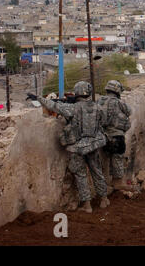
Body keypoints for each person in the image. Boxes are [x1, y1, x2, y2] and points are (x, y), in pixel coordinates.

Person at [27, 81, 109, 213]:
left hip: (77, 147)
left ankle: (87, 205)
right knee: (97, 171)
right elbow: (104, 121)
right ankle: (104, 199)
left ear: (77, 92)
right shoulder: (97, 107)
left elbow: (54, 106)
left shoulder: (73, 108)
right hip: (94, 145)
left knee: (81, 174)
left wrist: (38, 98)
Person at [98, 80, 133, 191]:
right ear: (117, 90)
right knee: (117, 158)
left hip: (103, 136)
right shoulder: (118, 102)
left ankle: (111, 182)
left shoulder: (100, 101)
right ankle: (117, 182)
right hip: (117, 135)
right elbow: (129, 111)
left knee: (108, 158)